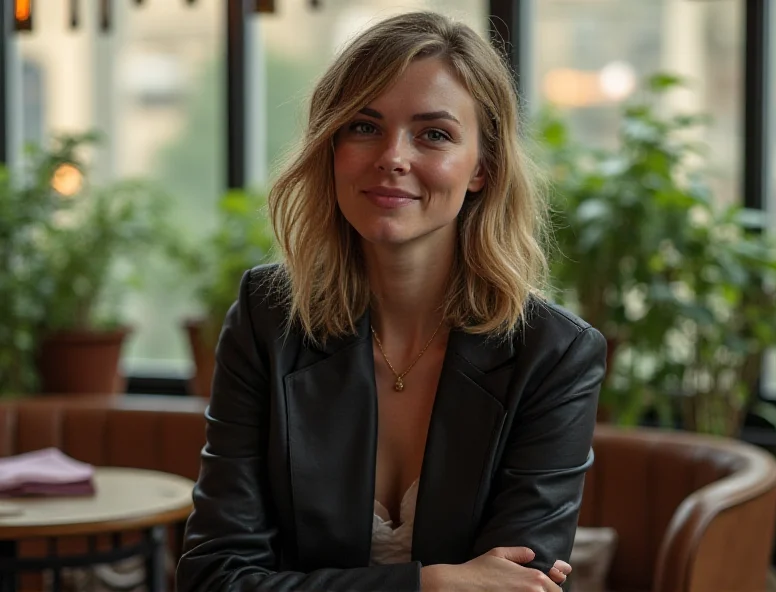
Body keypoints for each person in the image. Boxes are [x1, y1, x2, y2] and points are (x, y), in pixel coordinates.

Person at [176, 10, 606, 592]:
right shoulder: (267, 318)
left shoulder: (554, 353)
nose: (392, 157)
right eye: (363, 126)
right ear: (331, 147)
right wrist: (431, 585)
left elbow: (516, 587)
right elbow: (213, 578)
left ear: (482, 166)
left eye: (434, 134)